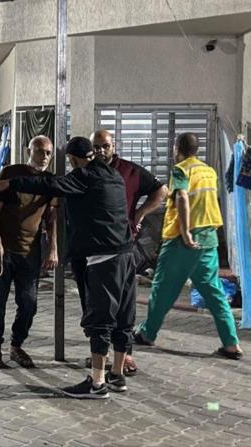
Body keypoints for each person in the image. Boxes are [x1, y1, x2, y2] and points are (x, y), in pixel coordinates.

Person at [0, 136, 136, 399]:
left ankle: (97, 383)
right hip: (126, 255)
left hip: (104, 259)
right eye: (40, 151)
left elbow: (48, 184)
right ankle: (117, 375)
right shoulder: (113, 175)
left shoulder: (84, 176)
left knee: (99, 319)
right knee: (123, 318)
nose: (44, 156)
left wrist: (8, 183)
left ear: (73, 159)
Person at [134, 133, 242, 360]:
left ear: (177, 149)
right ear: (198, 150)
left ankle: (147, 333)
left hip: (182, 242)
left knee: (163, 289)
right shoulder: (209, 172)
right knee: (213, 292)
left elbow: (182, 198)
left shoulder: (181, 170)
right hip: (209, 239)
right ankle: (231, 343)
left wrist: (185, 233)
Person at [86, 129, 168, 375]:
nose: (101, 151)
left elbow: (161, 190)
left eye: (105, 146)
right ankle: (104, 358)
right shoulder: (87, 173)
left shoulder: (130, 172)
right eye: (97, 147)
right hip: (96, 251)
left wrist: (140, 213)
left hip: (123, 248)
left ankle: (119, 363)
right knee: (99, 308)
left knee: (123, 308)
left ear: (114, 146)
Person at [0, 136, 58, 369]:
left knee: (29, 303)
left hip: (30, 252)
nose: (44, 157)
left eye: (48, 153)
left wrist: (53, 248)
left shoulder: (50, 182)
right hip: (5, 250)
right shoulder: (12, 172)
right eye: (40, 151)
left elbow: (51, 218)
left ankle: (16, 345)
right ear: (29, 151)